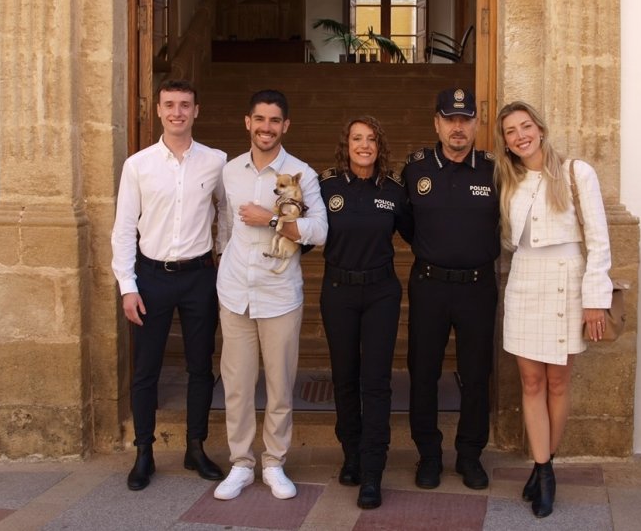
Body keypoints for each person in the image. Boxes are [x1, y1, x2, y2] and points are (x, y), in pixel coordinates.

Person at [493, 100, 612, 518]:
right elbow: (508, 240)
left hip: (567, 282)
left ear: (540, 129)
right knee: (531, 382)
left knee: (558, 383)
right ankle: (542, 468)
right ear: (505, 142)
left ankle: (545, 467)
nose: (520, 136)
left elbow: (599, 239)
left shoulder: (577, 172)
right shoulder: (508, 180)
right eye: (511, 131)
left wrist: (595, 299)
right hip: (525, 280)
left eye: (526, 126)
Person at [111, 79, 226, 491]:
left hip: (199, 277)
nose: (177, 112)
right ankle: (144, 452)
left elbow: (227, 214)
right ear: (158, 110)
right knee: (146, 368)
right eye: (170, 105)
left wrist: (223, 260)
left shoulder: (216, 162)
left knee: (201, 366)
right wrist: (128, 286)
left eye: (185, 105)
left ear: (196, 111)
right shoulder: (138, 165)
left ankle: (196, 447)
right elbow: (124, 228)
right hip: (151, 277)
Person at [214, 89, 328, 501]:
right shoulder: (230, 171)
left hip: (279, 294)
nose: (266, 127)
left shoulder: (302, 174)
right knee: (237, 385)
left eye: (274, 120)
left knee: (280, 385)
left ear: (286, 126)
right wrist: (223, 261)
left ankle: (275, 462)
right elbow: (225, 224)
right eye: (259, 119)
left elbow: (320, 230)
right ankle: (241, 464)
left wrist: (273, 219)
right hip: (235, 293)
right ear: (248, 122)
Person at [401, 88, 500, 491]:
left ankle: (470, 455)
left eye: (465, 119)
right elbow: (406, 225)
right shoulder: (415, 169)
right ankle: (428, 455)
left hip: (478, 287)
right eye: (450, 119)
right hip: (430, 286)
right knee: (423, 373)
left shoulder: (494, 170)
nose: (458, 127)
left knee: (476, 375)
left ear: (476, 124)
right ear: (437, 123)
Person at [318, 116, 412, 509]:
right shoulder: (326, 187)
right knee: (344, 378)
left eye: (371, 139)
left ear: (379, 146)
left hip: (380, 294)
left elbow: (418, 233)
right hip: (338, 292)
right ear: (346, 144)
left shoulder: (393, 190)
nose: (364, 145)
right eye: (357, 138)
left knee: (375, 382)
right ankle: (352, 454)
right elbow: (304, 234)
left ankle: (373, 470)